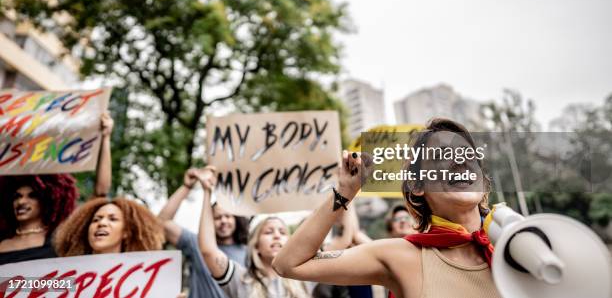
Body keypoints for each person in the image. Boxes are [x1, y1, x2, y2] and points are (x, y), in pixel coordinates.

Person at [273, 118, 502, 298]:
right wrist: (344, 193)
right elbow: (289, 263)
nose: (459, 161)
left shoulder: (517, 235)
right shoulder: (399, 256)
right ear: (418, 185)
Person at [0, 113, 114, 264]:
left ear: (48, 200)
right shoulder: (2, 238)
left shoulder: (62, 237)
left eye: (32, 196)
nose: (22, 201)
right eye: (17, 196)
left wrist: (105, 139)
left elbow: (100, 192)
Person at [196, 166, 313, 298]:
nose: (276, 236)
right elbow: (208, 251)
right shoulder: (240, 280)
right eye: (269, 232)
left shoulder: (303, 277)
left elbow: (340, 241)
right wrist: (207, 192)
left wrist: (340, 189)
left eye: (282, 232)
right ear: (256, 246)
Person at [157, 167, 226, 298]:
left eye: (228, 216)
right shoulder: (196, 244)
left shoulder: (249, 252)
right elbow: (162, 223)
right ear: (208, 221)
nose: (223, 221)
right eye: (217, 217)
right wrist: (186, 187)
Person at [53, 197, 164, 256]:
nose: (101, 223)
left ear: (126, 232)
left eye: (113, 219)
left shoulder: (141, 277)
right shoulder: (69, 274)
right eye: (96, 219)